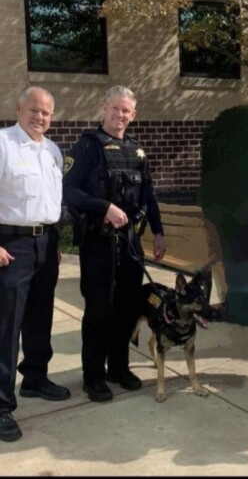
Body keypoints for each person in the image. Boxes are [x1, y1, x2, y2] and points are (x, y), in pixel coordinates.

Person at [62, 85, 165, 402]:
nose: (120, 115)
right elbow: (67, 190)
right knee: (98, 310)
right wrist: (103, 207)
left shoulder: (136, 151)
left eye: (126, 111)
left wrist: (158, 232)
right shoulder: (86, 147)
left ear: (132, 116)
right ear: (104, 108)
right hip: (98, 242)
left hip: (130, 242)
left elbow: (148, 194)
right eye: (115, 108)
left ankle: (118, 368)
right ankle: (93, 376)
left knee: (127, 308)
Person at [0, 86, 71, 443]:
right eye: (33, 110)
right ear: (18, 108)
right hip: (10, 245)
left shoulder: (53, 151)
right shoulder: (3, 145)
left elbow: (51, 201)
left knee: (40, 316)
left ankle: (36, 378)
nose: (39, 117)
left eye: (46, 113)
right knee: (6, 325)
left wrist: (53, 242)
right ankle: (0, 404)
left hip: (46, 242)